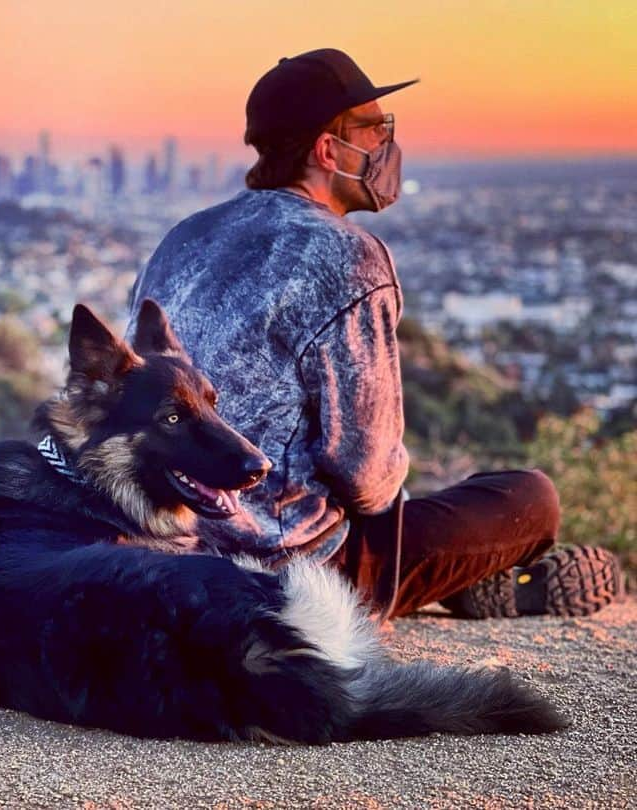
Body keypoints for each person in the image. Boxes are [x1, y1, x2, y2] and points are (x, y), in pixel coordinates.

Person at [126, 48, 621, 619]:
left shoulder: (183, 237)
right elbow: (368, 481)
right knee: (531, 500)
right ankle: (455, 581)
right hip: (294, 573)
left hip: (167, 551)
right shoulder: (347, 256)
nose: (388, 145)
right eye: (376, 128)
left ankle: (451, 575)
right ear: (327, 149)